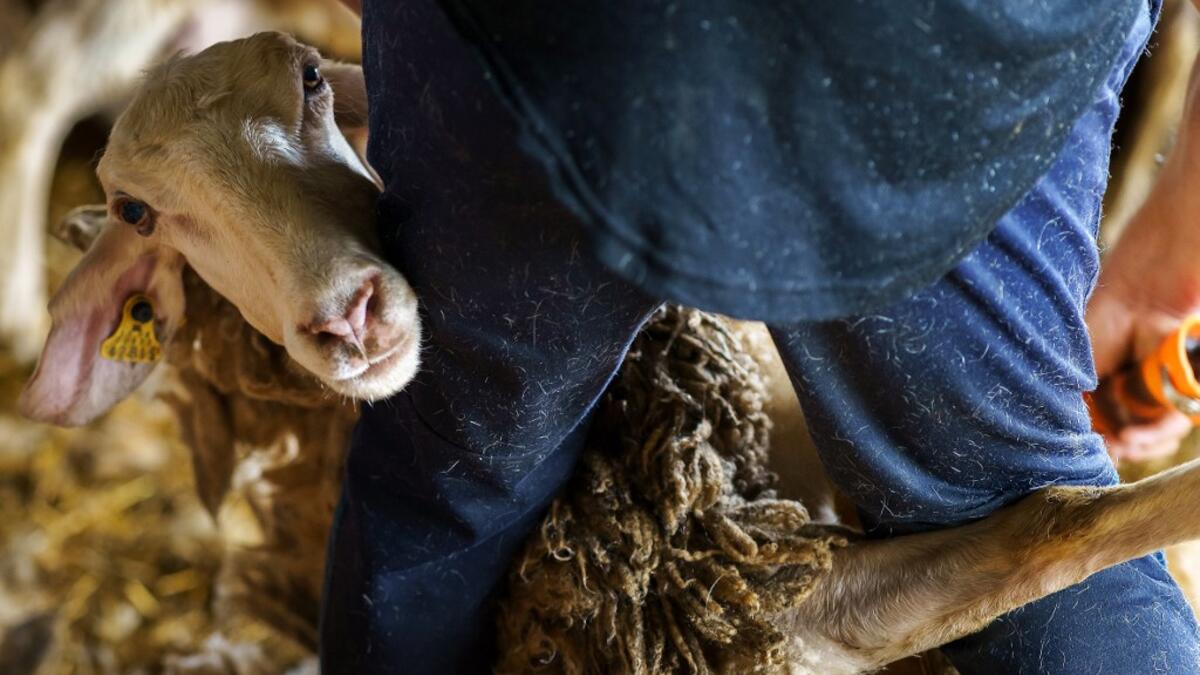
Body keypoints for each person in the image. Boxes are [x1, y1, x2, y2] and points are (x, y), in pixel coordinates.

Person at [321, 0, 1200, 672]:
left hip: (574, 52)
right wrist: (1169, 252)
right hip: (940, 83)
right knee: (1019, 508)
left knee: (449, 489)